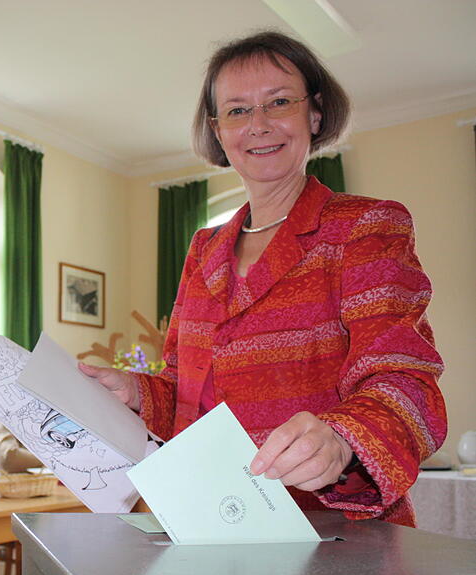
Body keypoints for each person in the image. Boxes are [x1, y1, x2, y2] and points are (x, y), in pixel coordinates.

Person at [81, 30, 445, 527]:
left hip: (327, 529)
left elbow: (405, 379)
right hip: (207, 516)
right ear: (217, 130)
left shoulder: (364, 226)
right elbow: (185, 393)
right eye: (236, 110)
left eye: (278, 102)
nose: (258, 125)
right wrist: (135, 392)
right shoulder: (203, 250)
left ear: (314, 113)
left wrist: (342, 439)